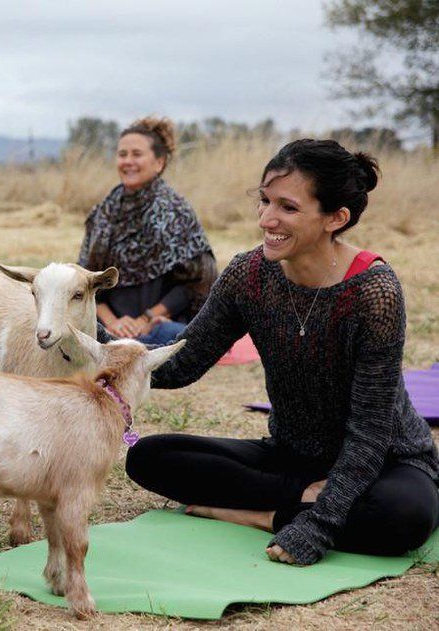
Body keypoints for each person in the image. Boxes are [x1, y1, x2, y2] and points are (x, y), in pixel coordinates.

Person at [125, 139, 438, 566]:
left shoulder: (374, 292)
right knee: (149, 457)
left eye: (288, 208)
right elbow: (182, 363)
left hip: (384, 460)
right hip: (293, 458)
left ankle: (260, 514)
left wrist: (319, 524)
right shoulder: (248, 274)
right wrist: (97, 349)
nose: (266, 219)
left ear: (336, 218)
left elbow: (370, 432)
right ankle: (300, 499)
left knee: (405, 518)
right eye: (265, 200)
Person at [79, 116, 216, 345]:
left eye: (137, 154)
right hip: (108, 324)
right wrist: (112, 323)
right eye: (122, 154)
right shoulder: (103, 214)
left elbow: (197, 282)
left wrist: (147, 318)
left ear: (159, 162)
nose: (128, 161)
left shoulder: (176, 211)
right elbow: (88, 282)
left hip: (159, 324)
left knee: (172, 337)